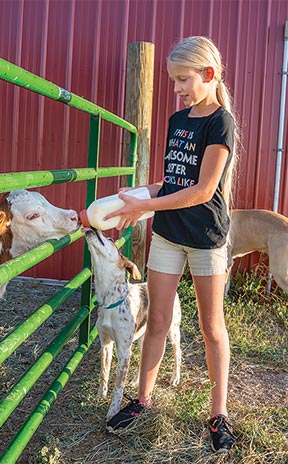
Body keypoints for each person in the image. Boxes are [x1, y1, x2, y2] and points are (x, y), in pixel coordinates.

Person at [102, 36, 239, 453]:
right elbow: (172, 182)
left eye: (183, 79)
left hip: (205, 239)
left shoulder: (220, 122)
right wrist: (136, 198)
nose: (177, 88)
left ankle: (218, 413)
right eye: (173, 81)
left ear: (209, 75)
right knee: (157, 321)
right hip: (168, 235)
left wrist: (149, 204)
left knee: (211, 327)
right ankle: (142, 399)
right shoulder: (178, 121)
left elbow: (201, 190)